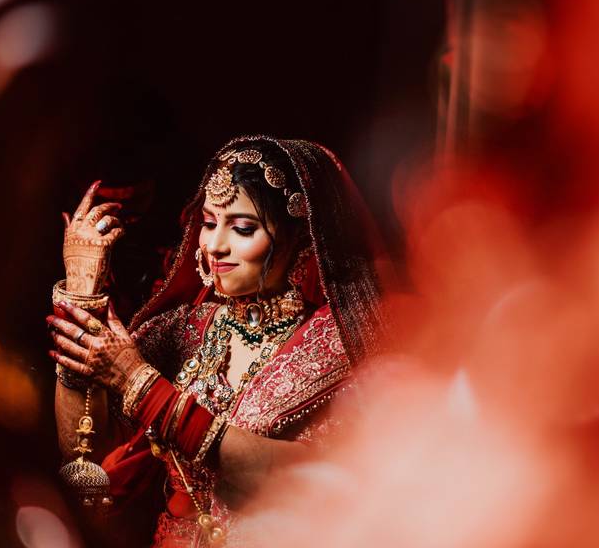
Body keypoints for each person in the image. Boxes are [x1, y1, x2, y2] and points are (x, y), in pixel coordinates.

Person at [47, 136, 388, 547]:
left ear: (299, 236)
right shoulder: (184, 329)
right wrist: (84, 295)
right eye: (209, 223)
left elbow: (318, 477)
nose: (215, 246)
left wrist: (141, 385)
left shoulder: (337, 342)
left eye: (243, 228)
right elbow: (83, 452)